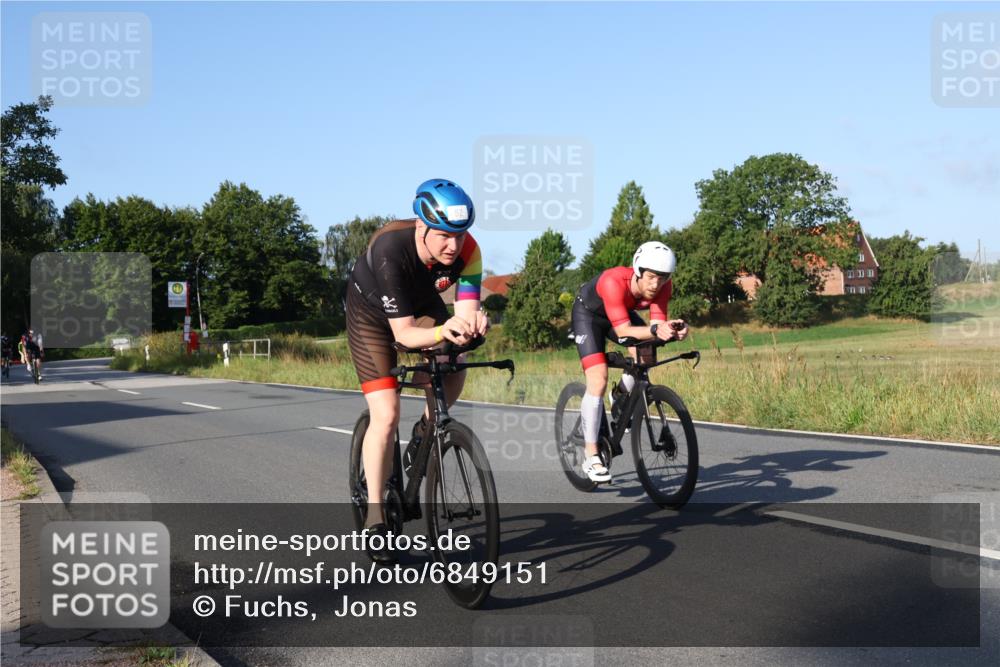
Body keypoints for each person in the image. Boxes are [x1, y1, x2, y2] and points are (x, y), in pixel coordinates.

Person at [346, 179, 488, 564]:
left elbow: (464, 315)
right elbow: (405, 335)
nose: (453, 246)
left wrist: (473, 326)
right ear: (422, 226)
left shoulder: (470, 252)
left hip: (419, 304)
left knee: (455, 357)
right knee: (386, 414)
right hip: (371, 316)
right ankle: (375, 518)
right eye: (444, 236)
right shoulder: (390, 248)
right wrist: (443, 331)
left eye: (460, 235)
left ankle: (427, 429)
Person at [570, 241, 690, 483]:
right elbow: (624, 330)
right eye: (651, 277)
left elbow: (656, 326)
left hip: (620, 314)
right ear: (638, 270)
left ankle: (620, 397)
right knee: (598, 378)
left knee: (646, 355)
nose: (656, 284)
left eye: (662, 278)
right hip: (590, 316)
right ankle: (591, 455)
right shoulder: (613, 281)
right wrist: (656, 330)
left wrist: (673, 331)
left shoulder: (663, 286)